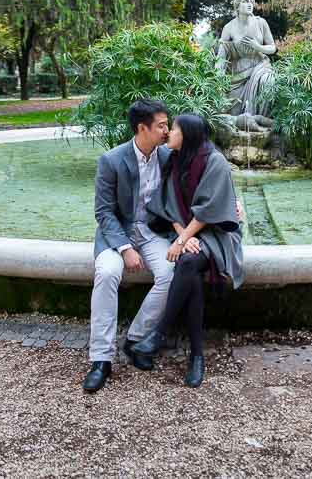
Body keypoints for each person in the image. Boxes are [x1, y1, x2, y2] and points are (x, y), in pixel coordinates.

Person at [131, 113, 245, 388]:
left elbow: (208, 211)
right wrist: (183, 235)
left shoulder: (215, 162)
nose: (169, 133)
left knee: (187, 261)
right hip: (188, 231)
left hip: (217, 233)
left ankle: (160, 333)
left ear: (189, 135)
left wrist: (183, 240)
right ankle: (196, 356)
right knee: (189, 265)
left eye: (175, 129)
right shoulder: (174, 160)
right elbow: (165, 205)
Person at [83, 99, 174, 393]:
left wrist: (230, 203)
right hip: (117, 234)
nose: (167, 130)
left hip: (151, 232)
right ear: (142, 128)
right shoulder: (112, 160)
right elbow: (104, 212)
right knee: (108, 273)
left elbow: (198, 179)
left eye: (167, 125)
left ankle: (135, 340)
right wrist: (124, 248)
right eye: (161, 125)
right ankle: (101, 359)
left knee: (171, 273)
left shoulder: (166, 157)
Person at [216, 0, 277, 127]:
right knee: (235, 112)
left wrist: (258, 47)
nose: (249, 4)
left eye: (251, 1)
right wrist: (218, 76)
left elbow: (272, 48)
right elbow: (222, 54)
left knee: (269, 81)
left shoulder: (261, 23)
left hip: (260, 66)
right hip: (238, 73)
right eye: (245, 1)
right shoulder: (229, 27)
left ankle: (262, 121)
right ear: (237, 6)